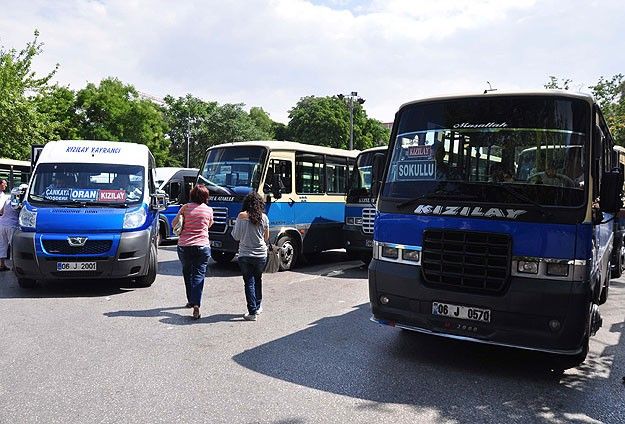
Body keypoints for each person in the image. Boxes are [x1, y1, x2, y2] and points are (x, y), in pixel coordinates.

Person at [172, 184, 214, 320]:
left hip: (184, 246)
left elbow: (174, 224)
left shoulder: (185, 208)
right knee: (199, 275)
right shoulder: (208, 210)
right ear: (205, 197)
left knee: (187, 272)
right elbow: (209, 225)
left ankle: (191, 300)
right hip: (202, 246)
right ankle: (196, 304)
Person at [232, 192, 270, 321]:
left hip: (245, 255)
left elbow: (236, 236)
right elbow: (266, 237)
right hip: (261, 255)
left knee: (249, 282)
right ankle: (258, 307)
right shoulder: (264, 217)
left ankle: (252, 312)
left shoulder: (241, 216)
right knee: (258, 280)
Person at [0, 184, 24, 271]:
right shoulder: (19, 200)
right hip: (12, 225)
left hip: (2, 224)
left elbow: (1, 211)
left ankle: (2, 265)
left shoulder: (7, 199)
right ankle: (14, 266)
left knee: (2, 245)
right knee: (13, 246)